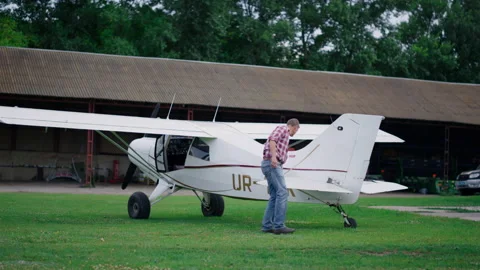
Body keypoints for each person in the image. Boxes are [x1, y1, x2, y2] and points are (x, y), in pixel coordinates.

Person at [261, 118, 300, 234]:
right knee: (282, 192)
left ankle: (267, 225)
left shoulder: (284, 133)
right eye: (296, 130)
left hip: (269, 164)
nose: (295, 132)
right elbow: (272, 140)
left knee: (274, 195)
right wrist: (274, 157)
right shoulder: (283, 129)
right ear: (294, 127)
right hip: (273, 164)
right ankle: (279, 225)